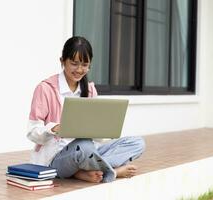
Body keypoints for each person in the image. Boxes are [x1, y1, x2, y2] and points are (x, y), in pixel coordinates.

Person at [27, 36, 145, 183]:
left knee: (137, 143)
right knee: (83, 146)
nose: (79, 70)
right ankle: (111, 172)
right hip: (57, 157)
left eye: (84, 64)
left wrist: (102, 129)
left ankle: (82, 171)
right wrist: (54, 128)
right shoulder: (45, 89)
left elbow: (96, 138)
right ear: (62, 61)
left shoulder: (89, 89)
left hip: (89, 151)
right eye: (74, 64)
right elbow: (32, 132)